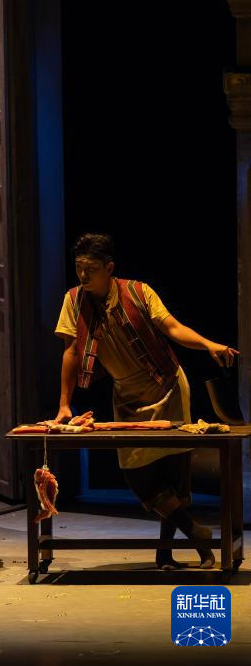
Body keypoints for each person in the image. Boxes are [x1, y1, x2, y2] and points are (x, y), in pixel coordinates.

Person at [54, 233, 238, 569]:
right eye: (79, 268)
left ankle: (167, 553)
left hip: (166, 386)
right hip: (127, 395)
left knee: (173, 474)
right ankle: (197, 532)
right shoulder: (74, 300)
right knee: (136, 472)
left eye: (90, 269)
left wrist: (209, 345)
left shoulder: (139, 292)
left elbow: (173, 328)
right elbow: (71, 351)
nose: (83, 275)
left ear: (109, 268)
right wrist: (64, 404)